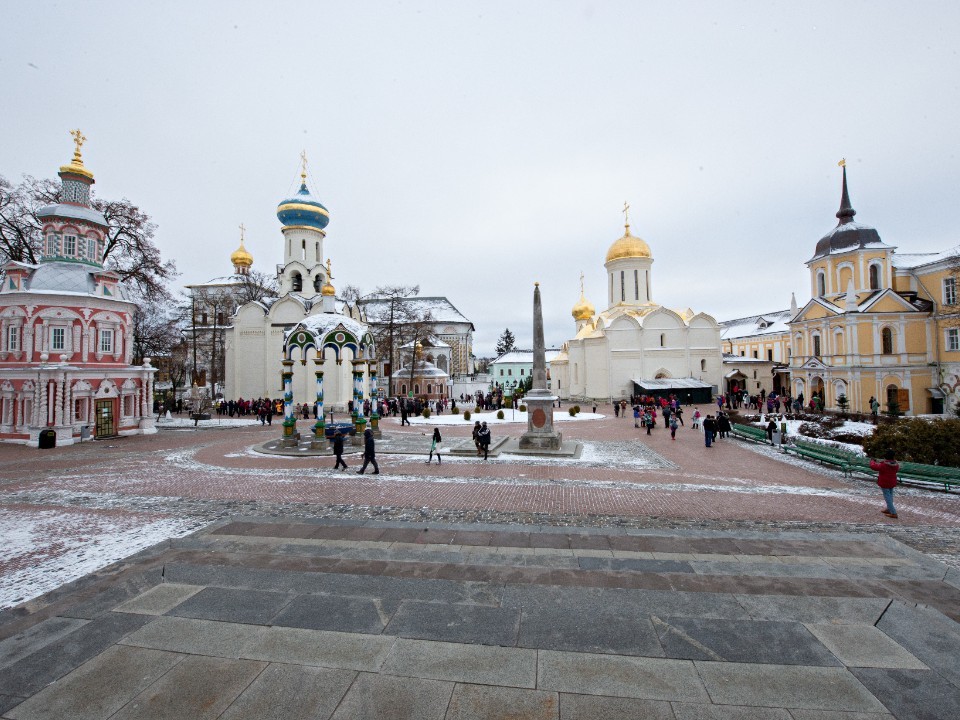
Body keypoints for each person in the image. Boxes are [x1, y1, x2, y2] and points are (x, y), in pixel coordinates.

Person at [870, 449, 900, 519]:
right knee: (890, 495)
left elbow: (874, 467)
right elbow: (896, 470)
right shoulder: (896, 465)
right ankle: (889, 508)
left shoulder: (884, 465)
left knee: (887, 497)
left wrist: (872, 461)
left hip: (885, 482)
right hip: (892, 481)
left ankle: (893, 513)